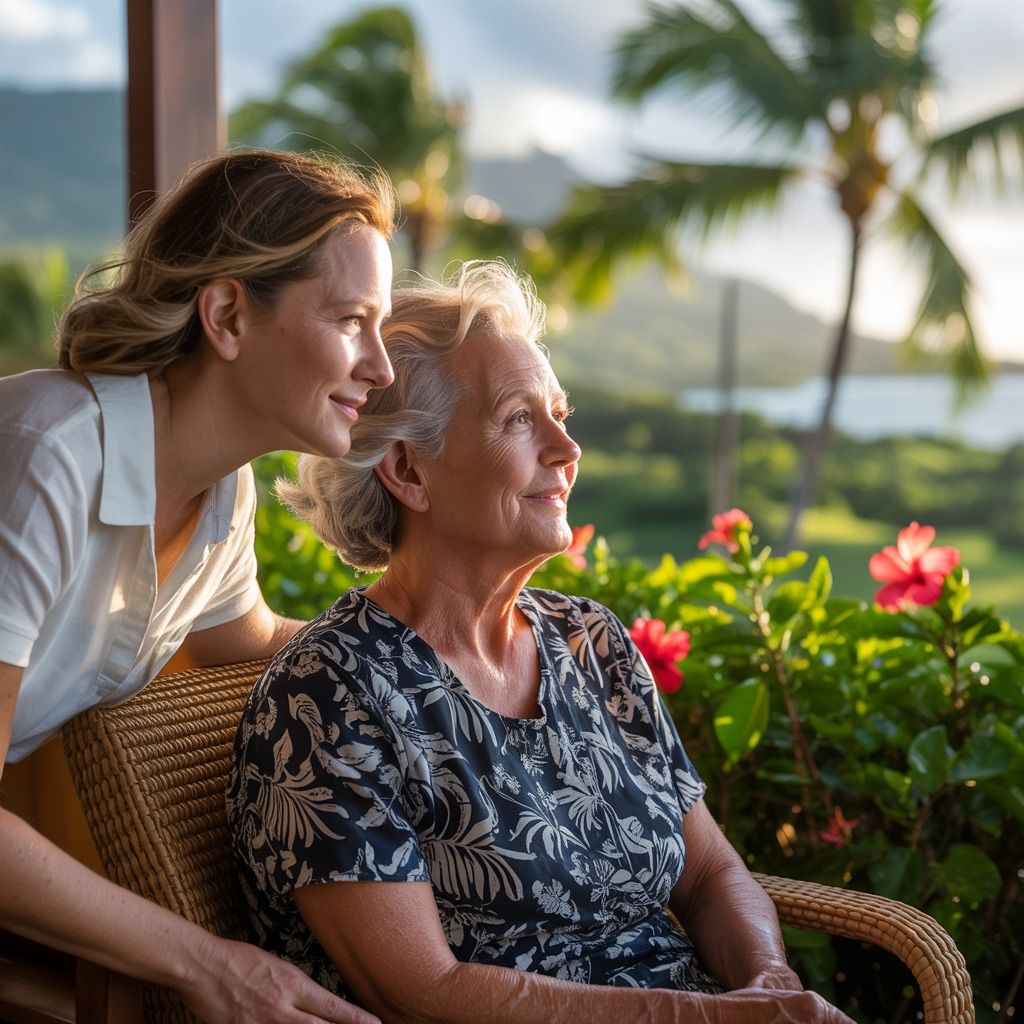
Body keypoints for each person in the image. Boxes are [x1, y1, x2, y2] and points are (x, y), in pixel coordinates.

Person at [227, 262, 854, 1023]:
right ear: (406, 470)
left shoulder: (591, 641)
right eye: (520, 418)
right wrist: (718, 1019)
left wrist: (769, 988)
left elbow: (710, 873)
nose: (567, 448)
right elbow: (422, 993)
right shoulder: (325, 698)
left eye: (560, 413)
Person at [0, 148, 397, 1024]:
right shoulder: (51, 457)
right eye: (350, 320)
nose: (382, 367)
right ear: (226, 315)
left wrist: (438, 644)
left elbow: (243, 636)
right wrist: (210, 966)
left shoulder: (221, 490)